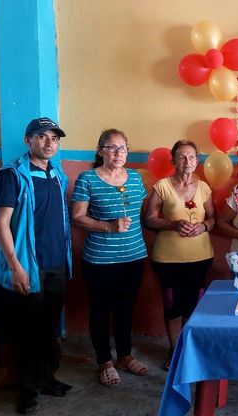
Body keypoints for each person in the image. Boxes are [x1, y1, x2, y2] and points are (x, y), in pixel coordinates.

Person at [0, 117, 72, 414]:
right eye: (42, 137)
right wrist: (15, 266)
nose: (49, 143)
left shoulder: (57, 173)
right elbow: (1, 223)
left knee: (50, 327)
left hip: (56, 262)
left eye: (54, 138)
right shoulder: (12, 174)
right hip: (29, 264)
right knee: (29, 330)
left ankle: (47, 378)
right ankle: (28, 390)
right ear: (28, 140)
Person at [70, 129, 148, 387]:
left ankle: (125, 356)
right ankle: (104, 361)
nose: (117, 153)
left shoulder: (135, 178)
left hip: (134, 257)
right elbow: (77, 217)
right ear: (100, 150)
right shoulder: (87, 179)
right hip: (100, 260)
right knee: (101, 311)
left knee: (126, 308)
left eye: (122, 148)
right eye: (112, 148)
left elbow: (142, 215)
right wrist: (108, 226)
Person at [145, 140, 214, 371]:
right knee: (172, 305)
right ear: (173, 161)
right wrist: (172, 224)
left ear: (197, 160)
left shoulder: (204, 187)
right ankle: (174, 350)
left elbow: (212, 219)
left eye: (192, 156)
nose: (187, 161)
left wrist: (203, 226)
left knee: (194, 305)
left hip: (200, 258)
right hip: (167, 260)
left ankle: (191, 350)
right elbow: (149, 219)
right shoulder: (162, 186)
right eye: (182, 157)